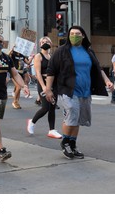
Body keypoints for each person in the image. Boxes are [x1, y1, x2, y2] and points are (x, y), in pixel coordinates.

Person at [45, 26, 113, 159]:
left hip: (85, 91)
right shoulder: (62, 51)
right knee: (71, 113)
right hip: (68, 90)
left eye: (77, 33)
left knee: (78, 119)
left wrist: (107, 81)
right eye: (72, 34)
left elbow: (98, 68)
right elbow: (51, 71)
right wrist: (48, 90)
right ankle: (65, 143)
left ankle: (73, 144)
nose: (74, 36)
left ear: (83, 36)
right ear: (68, 36)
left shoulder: (88, 51)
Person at [26, 37, 62, 139]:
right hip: (44, 84)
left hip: (53, 84)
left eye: (47, 42)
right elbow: (38, 73)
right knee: (45, 107)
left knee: (52, 107)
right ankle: (32, 122)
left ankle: (52, 130)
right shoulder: (38, 56)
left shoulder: (52, 56)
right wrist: (44, 87)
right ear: (40, 44)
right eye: (43, 42)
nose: (45, 43)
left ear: (51, 43)